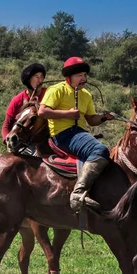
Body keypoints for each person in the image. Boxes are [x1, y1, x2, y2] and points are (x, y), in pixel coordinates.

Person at [38, 57, 115, 212]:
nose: (84, 79)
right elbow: (42, 111)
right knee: (99, 150)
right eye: (79, 75)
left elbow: (91, 120)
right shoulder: (56, 90)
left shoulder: (86, 95)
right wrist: (67, 114)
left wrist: (104, 117)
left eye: (85, 75)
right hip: (62, 135)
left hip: (80, 133)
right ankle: (78, 193)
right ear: (69, 76)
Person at [1, 63, 47, 147]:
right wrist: (7, 141)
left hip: (45, 141)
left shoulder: (49, 94)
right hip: (21, 142)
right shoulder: (17, 100)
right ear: (29, 80)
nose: (40, 80)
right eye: (36, 77)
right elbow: (6, 126)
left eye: (42, 77)